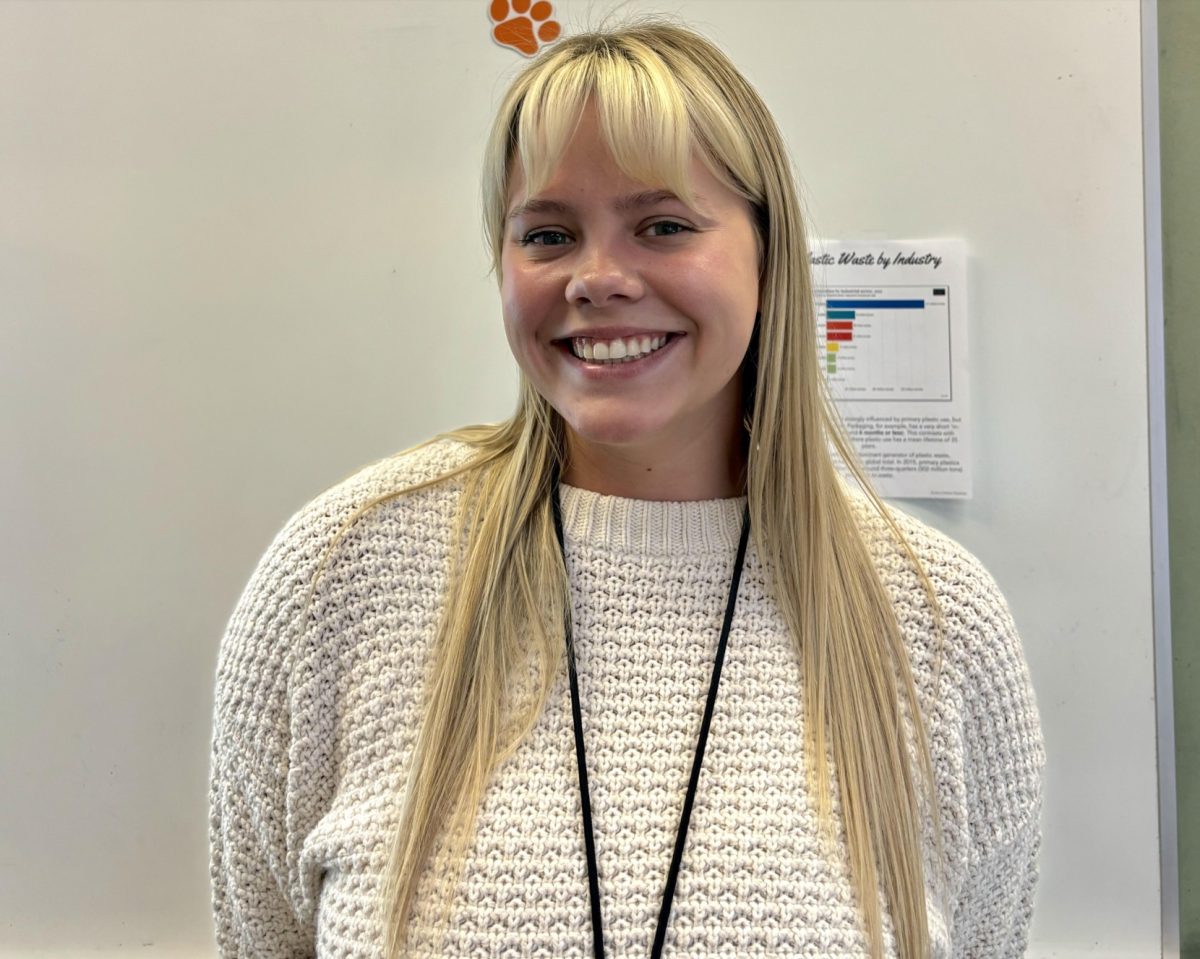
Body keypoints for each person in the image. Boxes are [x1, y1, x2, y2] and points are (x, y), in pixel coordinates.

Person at [209, 21, 1044, 959]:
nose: (597, 280)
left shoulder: (937, 616)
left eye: (664, 225)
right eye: (549, 234)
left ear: (769, 260)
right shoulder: (339, 573)